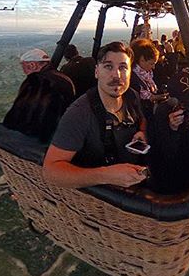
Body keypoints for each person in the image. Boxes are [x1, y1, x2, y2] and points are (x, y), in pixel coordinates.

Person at [43, 42, 150, 188]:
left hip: (135, 178)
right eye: (108, 66)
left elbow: (141, 118)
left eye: (123, 67)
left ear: (130, 72)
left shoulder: (131, 96)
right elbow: (51, 172)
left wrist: (141, 132)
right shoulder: (79, 113)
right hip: (107, 195)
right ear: (96, 72)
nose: (116, 75)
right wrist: (107, 175)